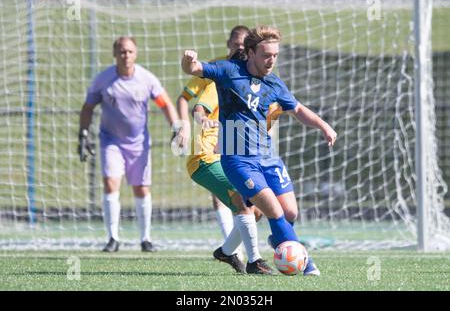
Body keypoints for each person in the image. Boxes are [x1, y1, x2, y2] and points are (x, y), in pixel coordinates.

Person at [181, 25, 337, 276]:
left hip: (267, 155)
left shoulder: (273, 82)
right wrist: (188, 61)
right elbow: (195, 70)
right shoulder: (229, 71)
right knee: (272, 212)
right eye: (266, 55)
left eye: (275, 55)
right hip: (238, 159)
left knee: (289, 213)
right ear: (251, 52)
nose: (271, 60)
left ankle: (272, 242)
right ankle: (305, 264)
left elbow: (296, 109)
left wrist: (323, 126)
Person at [175, 26, 272, 275]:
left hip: (232, 157)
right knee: (241, 202)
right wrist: (199, 122)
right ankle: (255, 261)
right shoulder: (222, 80)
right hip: (204, 158)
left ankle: (226, 252)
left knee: (258, 209)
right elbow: (199, 107)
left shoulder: (255, 87)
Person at [78, 36, 179, 252]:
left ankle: (145, 238)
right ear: (115, 54)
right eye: (122, 51)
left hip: (139, 143)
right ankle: (113, 238)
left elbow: (165, 104)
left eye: (130, 51)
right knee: (110, 183)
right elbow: (87, 107)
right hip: (110, 141)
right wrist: (83, 134)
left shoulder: (147, 79)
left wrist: (176, 128)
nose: (126, 56)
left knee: (141, 188)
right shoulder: (103, 79)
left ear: (136, 54)